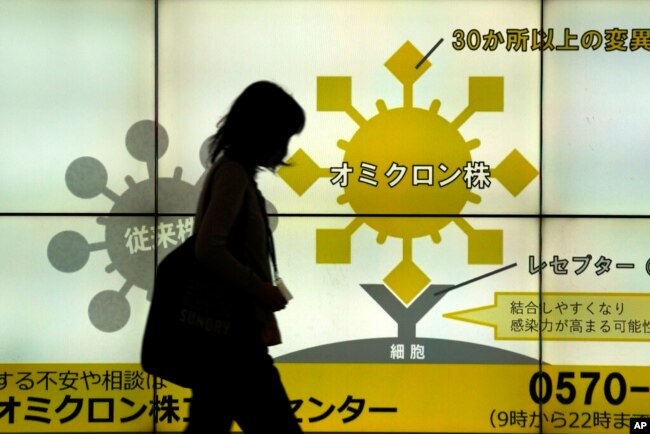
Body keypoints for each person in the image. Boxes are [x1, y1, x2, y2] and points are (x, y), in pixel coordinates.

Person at [186, 81, 305, 433]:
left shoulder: (230, 172)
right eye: (282, 135)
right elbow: (208, 248)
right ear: (263, 131)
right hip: (235, 340)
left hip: (221, 339)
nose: (284, 148)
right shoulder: (234, 176)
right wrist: (259, 289)